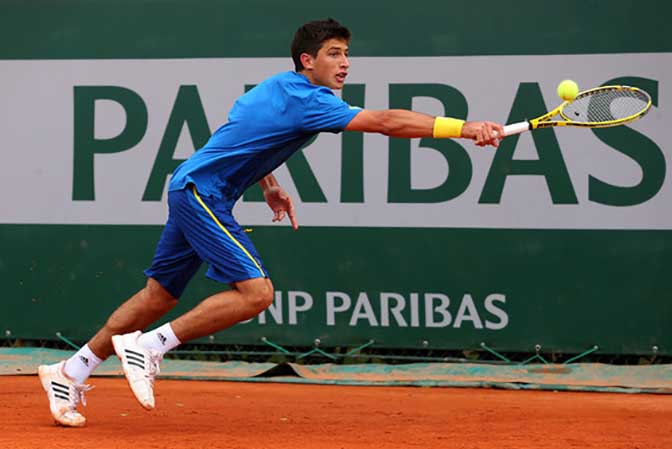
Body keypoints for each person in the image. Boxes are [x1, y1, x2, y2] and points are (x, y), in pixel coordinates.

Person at [38, 18, 504, 427]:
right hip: (203, 194)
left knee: (158, 294)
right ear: (307, 59)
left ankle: (70, 372)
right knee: (257, 294)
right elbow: (385, 121)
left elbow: (243, 138)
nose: (344, 63)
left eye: (347, 54)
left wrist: (268, 185)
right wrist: (464, 129)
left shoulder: (275, 87)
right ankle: (152, 346)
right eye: (333, 54)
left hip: (193, 187)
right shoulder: (311, 101)